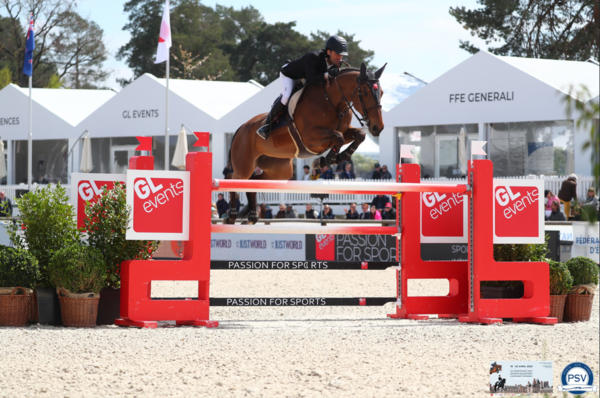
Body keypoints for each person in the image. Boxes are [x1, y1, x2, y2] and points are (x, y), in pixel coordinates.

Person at [256, 35, 349, 139]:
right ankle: (267, 125)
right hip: (290, 75)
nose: (340, 58)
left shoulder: (336, 62)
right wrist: (326, 74)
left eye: (342, 55)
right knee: (286, 97)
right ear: (328, 52)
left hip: (306, 77)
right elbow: (310, 81)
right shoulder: (313, 57)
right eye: (337, 54)